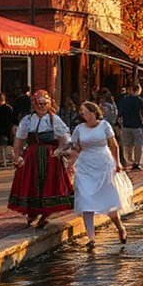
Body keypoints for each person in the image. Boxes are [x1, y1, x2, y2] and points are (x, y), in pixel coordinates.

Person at [59, 101, 129, 248]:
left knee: (108, 201)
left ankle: (120, 227)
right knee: (85, 202)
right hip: (85, 166)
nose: (81, 113)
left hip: (103, 164)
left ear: (92, 111)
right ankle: (91, 239)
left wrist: (117, 163)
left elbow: (113, 145)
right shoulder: (79, 128)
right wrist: (68, 160)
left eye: (83, 110)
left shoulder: (104, 125)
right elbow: (75, 146)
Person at [8, 90, 74, 228]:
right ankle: (32, 211)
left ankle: (45, 213)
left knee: (49, 184)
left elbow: (66, 139)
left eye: (44, 103)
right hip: (32, 155)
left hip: (50, 157)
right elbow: (19, 139)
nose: (41, 106)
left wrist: (60, 150)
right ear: (34, 104)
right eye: (39, 103)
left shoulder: (53, 119)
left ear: (49, 104)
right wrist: (16, 155)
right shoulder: (27, 120)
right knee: (31, 182)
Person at [118, 84, 143, 171]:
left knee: (127, 144)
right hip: (137, 125)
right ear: (138, 90)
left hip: (126, 125)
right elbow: (142, 113)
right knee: (138, 144)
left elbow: (120, 113)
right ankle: (136, 163)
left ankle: (128, 160)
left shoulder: (125, 100)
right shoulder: (139, 101)